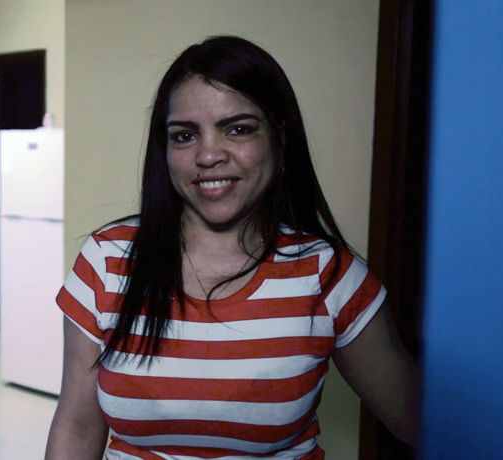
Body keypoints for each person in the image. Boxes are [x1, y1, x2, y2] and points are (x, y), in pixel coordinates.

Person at [45, 35, 418, 460]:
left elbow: (424, 423)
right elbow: (75, 428)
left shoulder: (328, 277)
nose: (208, 155)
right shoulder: (107, 262)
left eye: (237, 129)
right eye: (185, 135)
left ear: (278, 139)